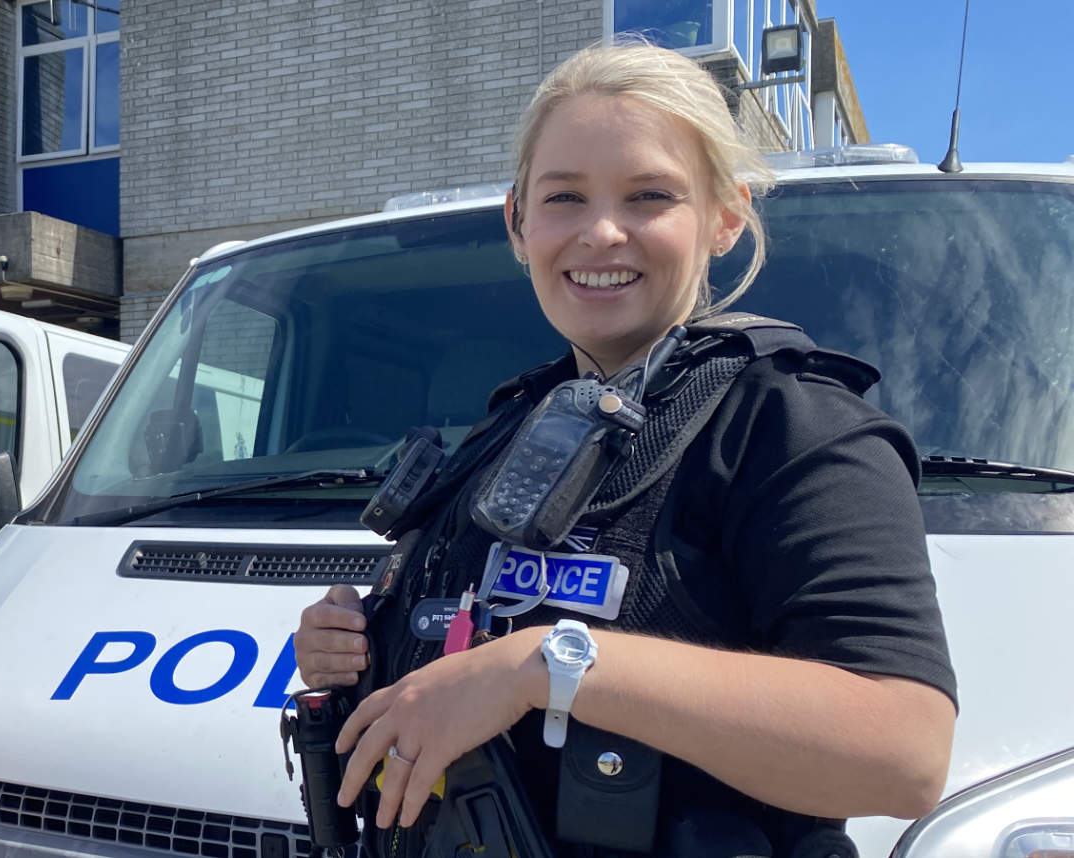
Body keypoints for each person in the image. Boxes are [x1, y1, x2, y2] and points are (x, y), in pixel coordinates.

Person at [294, 42, 955, 857]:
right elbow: (466, 630)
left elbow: (903, 753)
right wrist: (363, 641)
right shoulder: (512, 426)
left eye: (649, 195)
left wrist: (546, 664)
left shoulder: (793, 424)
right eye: (564, 196)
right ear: (518, 222)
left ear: (724, 218)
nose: (601, 233)